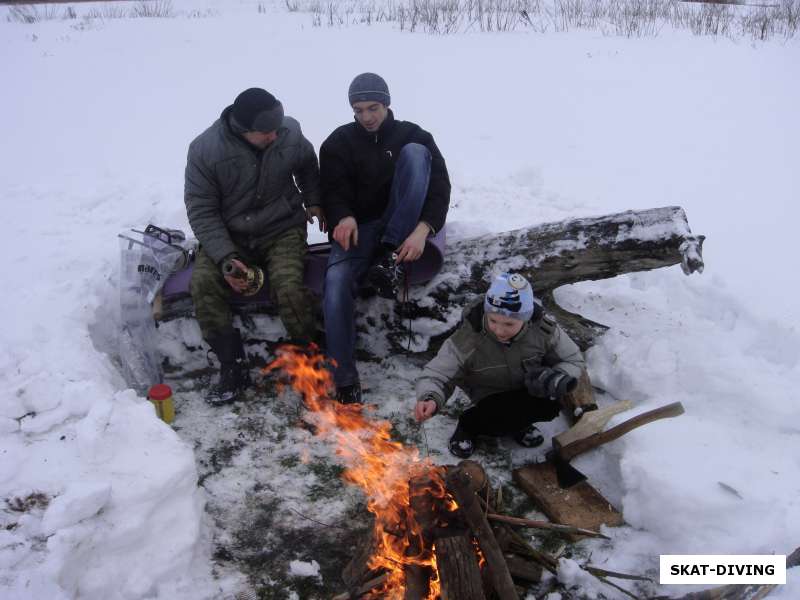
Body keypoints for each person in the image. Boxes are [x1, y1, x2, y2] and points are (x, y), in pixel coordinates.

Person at [185, 87, 325, 404]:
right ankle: (232, 366)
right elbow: (202, 210)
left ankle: (309, 361)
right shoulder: (205, 151)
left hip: (282, 229)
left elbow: (306, 163)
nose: (275, 136)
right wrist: (226, 258)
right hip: (230, 235)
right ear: (244, 129)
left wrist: (314, 200)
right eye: (266, 132)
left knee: (289, 288)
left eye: (277, 128)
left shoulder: (288, 132)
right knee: (204, 284)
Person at [320, 72, 451, 404]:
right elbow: (332, 190)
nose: (366, 117)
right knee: (335, 283)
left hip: (402, 225)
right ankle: (345, 379)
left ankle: (388, 258)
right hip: (361, 228)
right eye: (358, 110)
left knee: (416, 154)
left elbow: (439, 191)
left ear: (387, 103)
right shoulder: (338, 143)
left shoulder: (414, 135)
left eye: (373, 108)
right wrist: (343, 216)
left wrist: (422, 231)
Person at [414, 273, 587, 458]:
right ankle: (468, 426)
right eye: (493, 320)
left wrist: (553, 377)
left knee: (550, 404)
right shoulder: (468, 338)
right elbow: (437, 373)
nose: (499, 330)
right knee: (497, 419)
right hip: (489, 395)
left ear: (526, 318)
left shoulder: (543, 331)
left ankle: (520, 425)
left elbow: (573, 359)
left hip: (527, 389)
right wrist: (430, 397)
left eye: (509, 324)